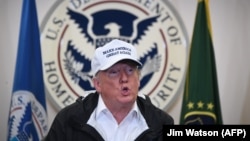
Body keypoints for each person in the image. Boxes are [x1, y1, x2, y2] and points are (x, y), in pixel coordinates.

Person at [45, 39, 174, 141]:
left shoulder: (162, 122)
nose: (124, 78)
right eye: (114, 72)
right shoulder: (68, 120)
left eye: (130, 70)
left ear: (138, 79)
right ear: (97, 84)